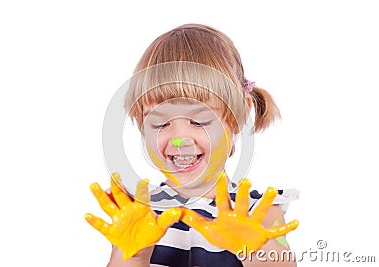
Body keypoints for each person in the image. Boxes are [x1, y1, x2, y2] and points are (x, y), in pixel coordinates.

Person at [85, 24, 299, 267]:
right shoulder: (140, 214)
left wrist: (252, 248)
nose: (180, 138)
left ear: (238, 115)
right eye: (161, 123)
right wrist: (135, 257)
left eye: (198, 121)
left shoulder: (260, 213)